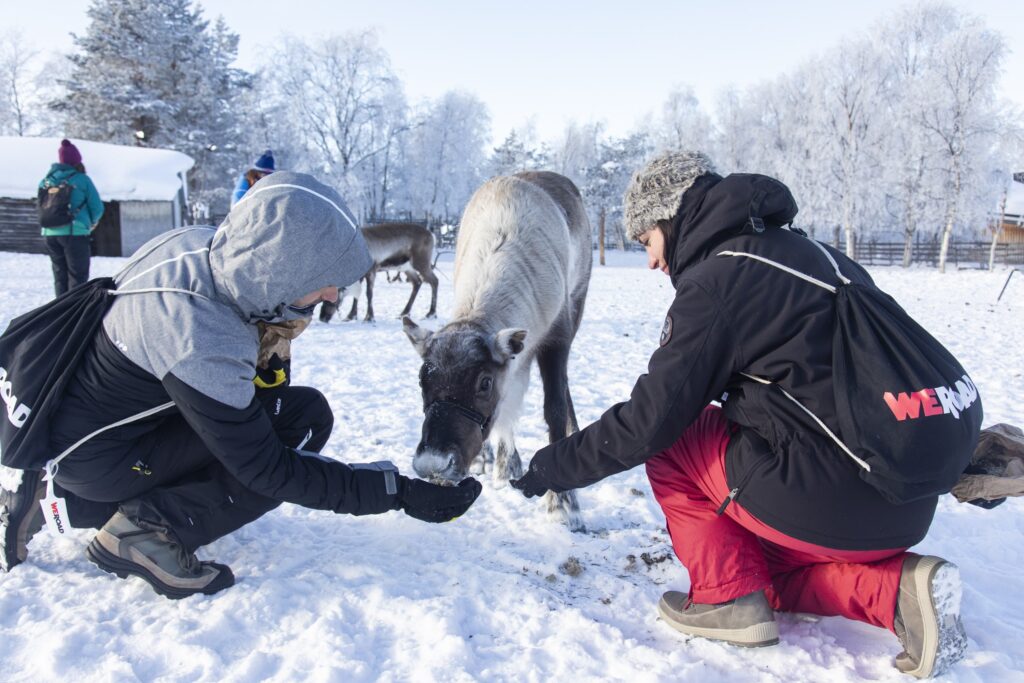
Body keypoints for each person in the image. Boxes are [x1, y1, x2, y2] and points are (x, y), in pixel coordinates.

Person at [510, 151, 969, 679]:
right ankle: (900, 591)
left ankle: (725, 598)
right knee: (764, 572)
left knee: (677, 441)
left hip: (829, 496)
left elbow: (649, 423)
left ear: (671, 219)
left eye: (647, 242)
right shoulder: (818, 255)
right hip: (903, 497)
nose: (653, 262)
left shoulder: (717, 282)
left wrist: (551, 468)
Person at [0, 171, 481, 598]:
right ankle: (145, 533)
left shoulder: (201, 247)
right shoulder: (203, 332)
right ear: (283, 268)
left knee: (299, 412)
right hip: (102, 456)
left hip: (88, 434)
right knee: (286, 436)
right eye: (324, 280)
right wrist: (395, 492)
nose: (333, 294)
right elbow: (267, 470)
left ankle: (53, 500)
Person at [38, 139, 104, 297]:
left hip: (50, 234)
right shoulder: (81, 179)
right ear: (77, 161)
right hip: (74, 232)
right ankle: (75, 315)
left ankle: (60, 313)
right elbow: (97, 207)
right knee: (77, 277)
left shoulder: (45, 181)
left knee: (59, 276)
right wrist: (92, 223)